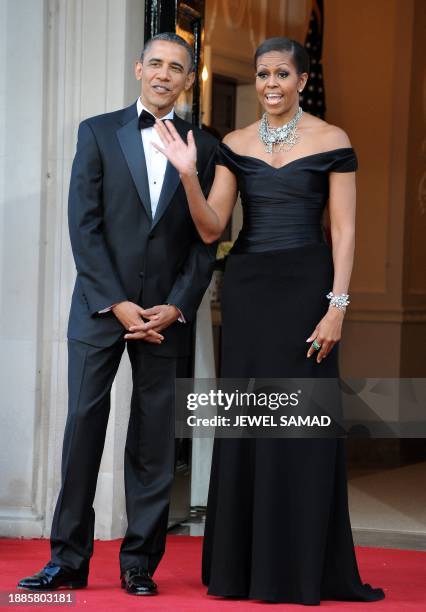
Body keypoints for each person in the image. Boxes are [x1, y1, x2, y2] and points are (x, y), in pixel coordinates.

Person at [152, 37, 385, 605]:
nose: (271, 84)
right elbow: (212, 228)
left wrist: (337, 306)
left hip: (309, 290)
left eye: (282, 74)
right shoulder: (234, 143)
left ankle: (302, 567)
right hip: (250, 290)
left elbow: (346, 232)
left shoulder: (333, 141)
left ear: (303, 81)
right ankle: (242, 568)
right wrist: (188, 175)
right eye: (262, 75)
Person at [17, 33, 217, 596]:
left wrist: (177, 305)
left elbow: (207, 241)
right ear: (138, 69)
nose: (163, 74)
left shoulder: (207, 145)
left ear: (186, 79)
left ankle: (138, 565)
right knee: (83, 426)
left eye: (176, 67)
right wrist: (117, 301)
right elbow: (83, 224)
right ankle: (67, 561)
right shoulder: (97, 131)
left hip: (165, 316)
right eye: (155, 63)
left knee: (154, 442)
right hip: (102, 308)